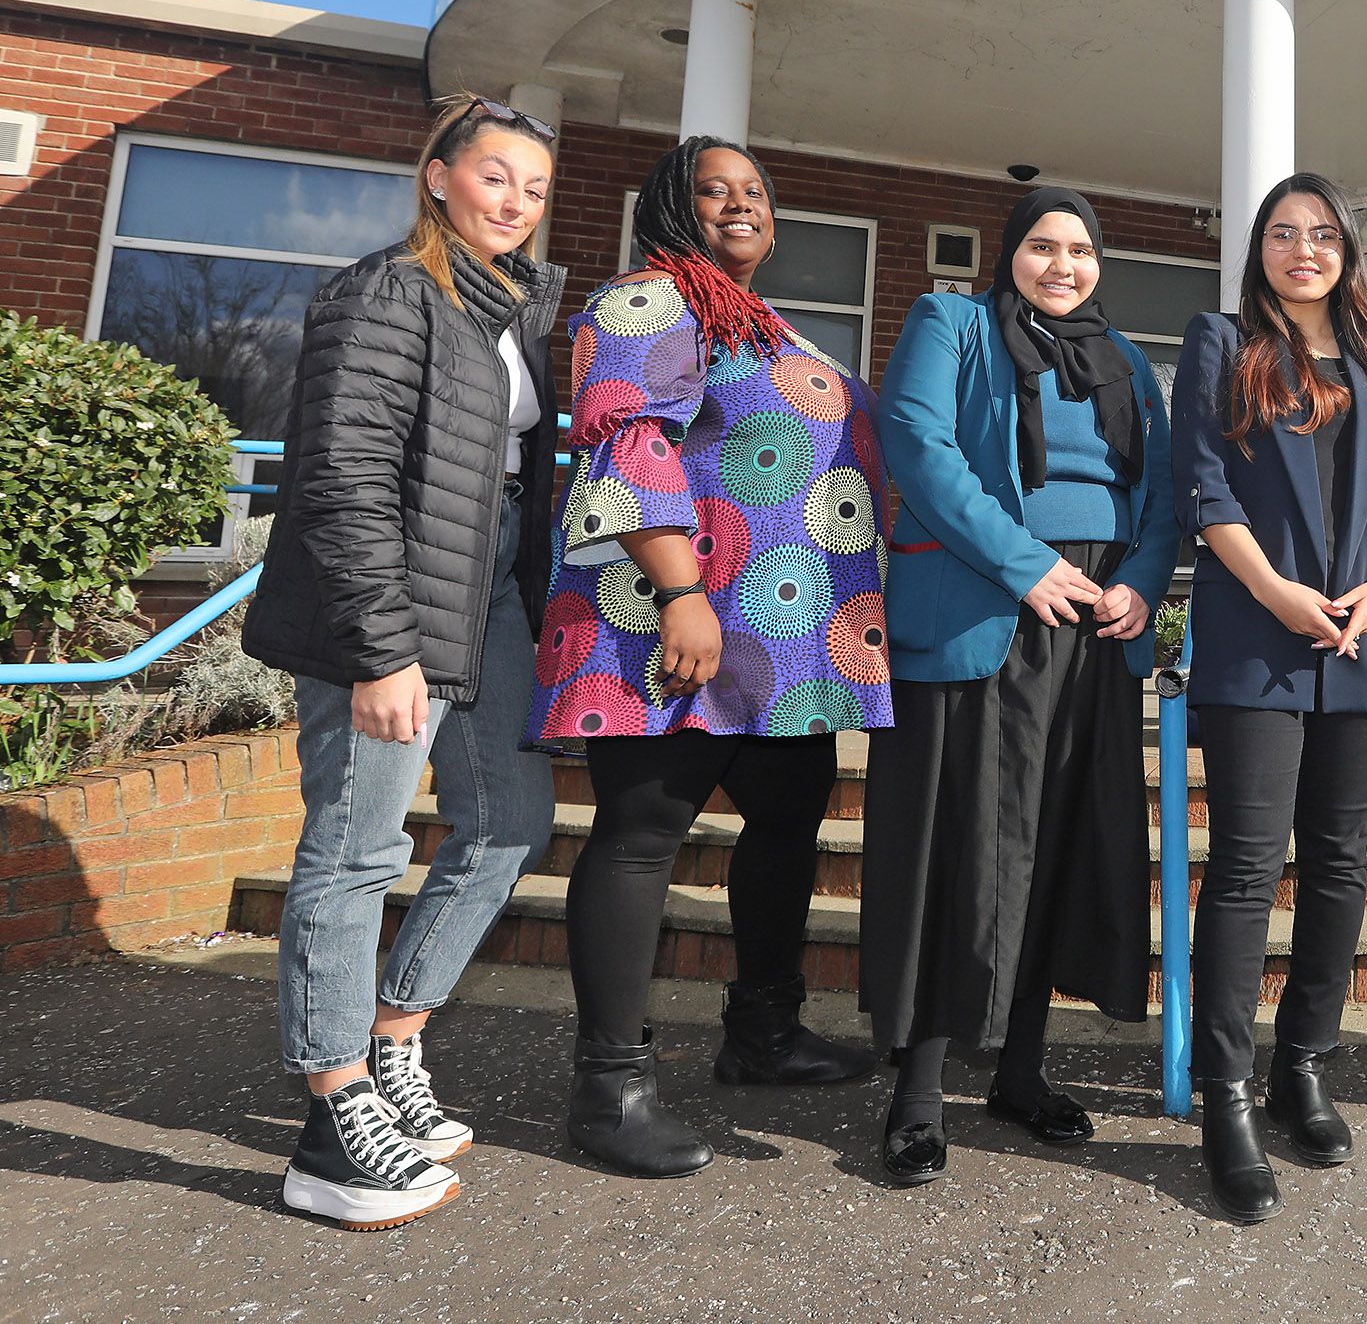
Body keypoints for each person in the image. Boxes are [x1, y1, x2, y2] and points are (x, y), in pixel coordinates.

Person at [536, 137, 892, 1178]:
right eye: (713, 189)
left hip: (778, 639)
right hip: (674, 625)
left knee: (785, 821)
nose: (740, 204)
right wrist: (682, 591)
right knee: (643, 832)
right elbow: (628, 445)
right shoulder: (646, 301)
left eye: (755, 192)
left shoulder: (754, 318)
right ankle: (609, 1088)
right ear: (668, 207)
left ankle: (764, 1034)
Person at [245, 94, 566, 1229]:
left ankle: (391, 1042)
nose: (515, 203)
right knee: (354, 848)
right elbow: (341, 476)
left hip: (484, 608)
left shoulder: (512, 306)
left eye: (532, 187)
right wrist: (384, 651)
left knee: (509, 820)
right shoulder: (389, 290)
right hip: (380, 619)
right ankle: (329, 1117)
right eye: (494, 177)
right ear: (438, 177)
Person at [861, 188, 1179, 1187]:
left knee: (1054, 839)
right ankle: (915, 1092)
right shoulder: (949, 322)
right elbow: (916, 443)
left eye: (1081, 249)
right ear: (1011, 255)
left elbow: (1163, 490)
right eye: (1044, 246)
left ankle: (1022, 1067)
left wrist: (1137, 578)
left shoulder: (1125, 359)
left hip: (1091, 621)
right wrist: (1020, 561)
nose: (1063, 263)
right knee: (955, 844)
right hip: (982, 607)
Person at [1169, 173, 1367, 1225]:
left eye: (1322, 233)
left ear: (1347, 251)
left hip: (1363, 639)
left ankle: (1302, 1065)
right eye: (1282, 232)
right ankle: (1226, 1096)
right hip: (1257, 639)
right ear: (1258, 250)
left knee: (1336, 861)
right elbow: (1202, 481)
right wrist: (1277, 592)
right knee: (1243, 866)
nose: (1303, 248)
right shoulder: (1218, 340)